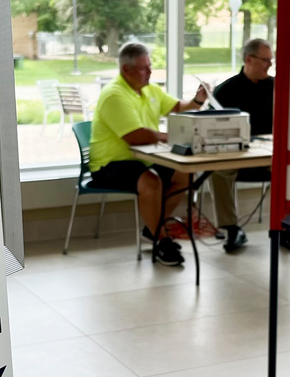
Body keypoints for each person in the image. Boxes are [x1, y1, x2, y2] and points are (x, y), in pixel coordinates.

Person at [89, 42, 208, 266]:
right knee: (150, 181)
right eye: (145, 68)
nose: (150, 72)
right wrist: (168, 136)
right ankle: (161, 240)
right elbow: (135, 135)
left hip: (143, 159)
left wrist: (198, 100)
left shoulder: (149, 90)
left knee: (184, 174)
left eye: (150, 66)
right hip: (110, 164)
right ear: (126, 69)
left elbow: (177, 108)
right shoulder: (114, 95)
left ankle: (153, 231)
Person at [210, 38, 290, 253]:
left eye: (271, 61)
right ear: (249, 59)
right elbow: (217, 129)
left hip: (269, 153)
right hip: (237, 153)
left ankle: (283, 227)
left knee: (286, 169)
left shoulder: (277, 87)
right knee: (217, 171)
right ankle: (231, 228)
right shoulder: (226, 90)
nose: (270, 66)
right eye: (266, 61)